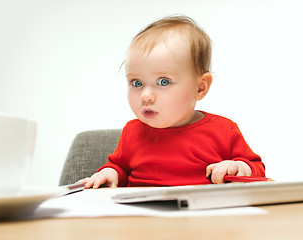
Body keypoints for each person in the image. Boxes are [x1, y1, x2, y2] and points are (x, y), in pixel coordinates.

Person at [80, 15, 265, 189]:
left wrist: (240, 168)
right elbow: (119, 168)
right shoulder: (132, 132)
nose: (146, 95)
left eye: (163, 82)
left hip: (201, 216)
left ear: (200, 88)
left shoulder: (224, 131)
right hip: (143, 216)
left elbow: (258, 170)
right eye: (136, 83)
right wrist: (109, 173)